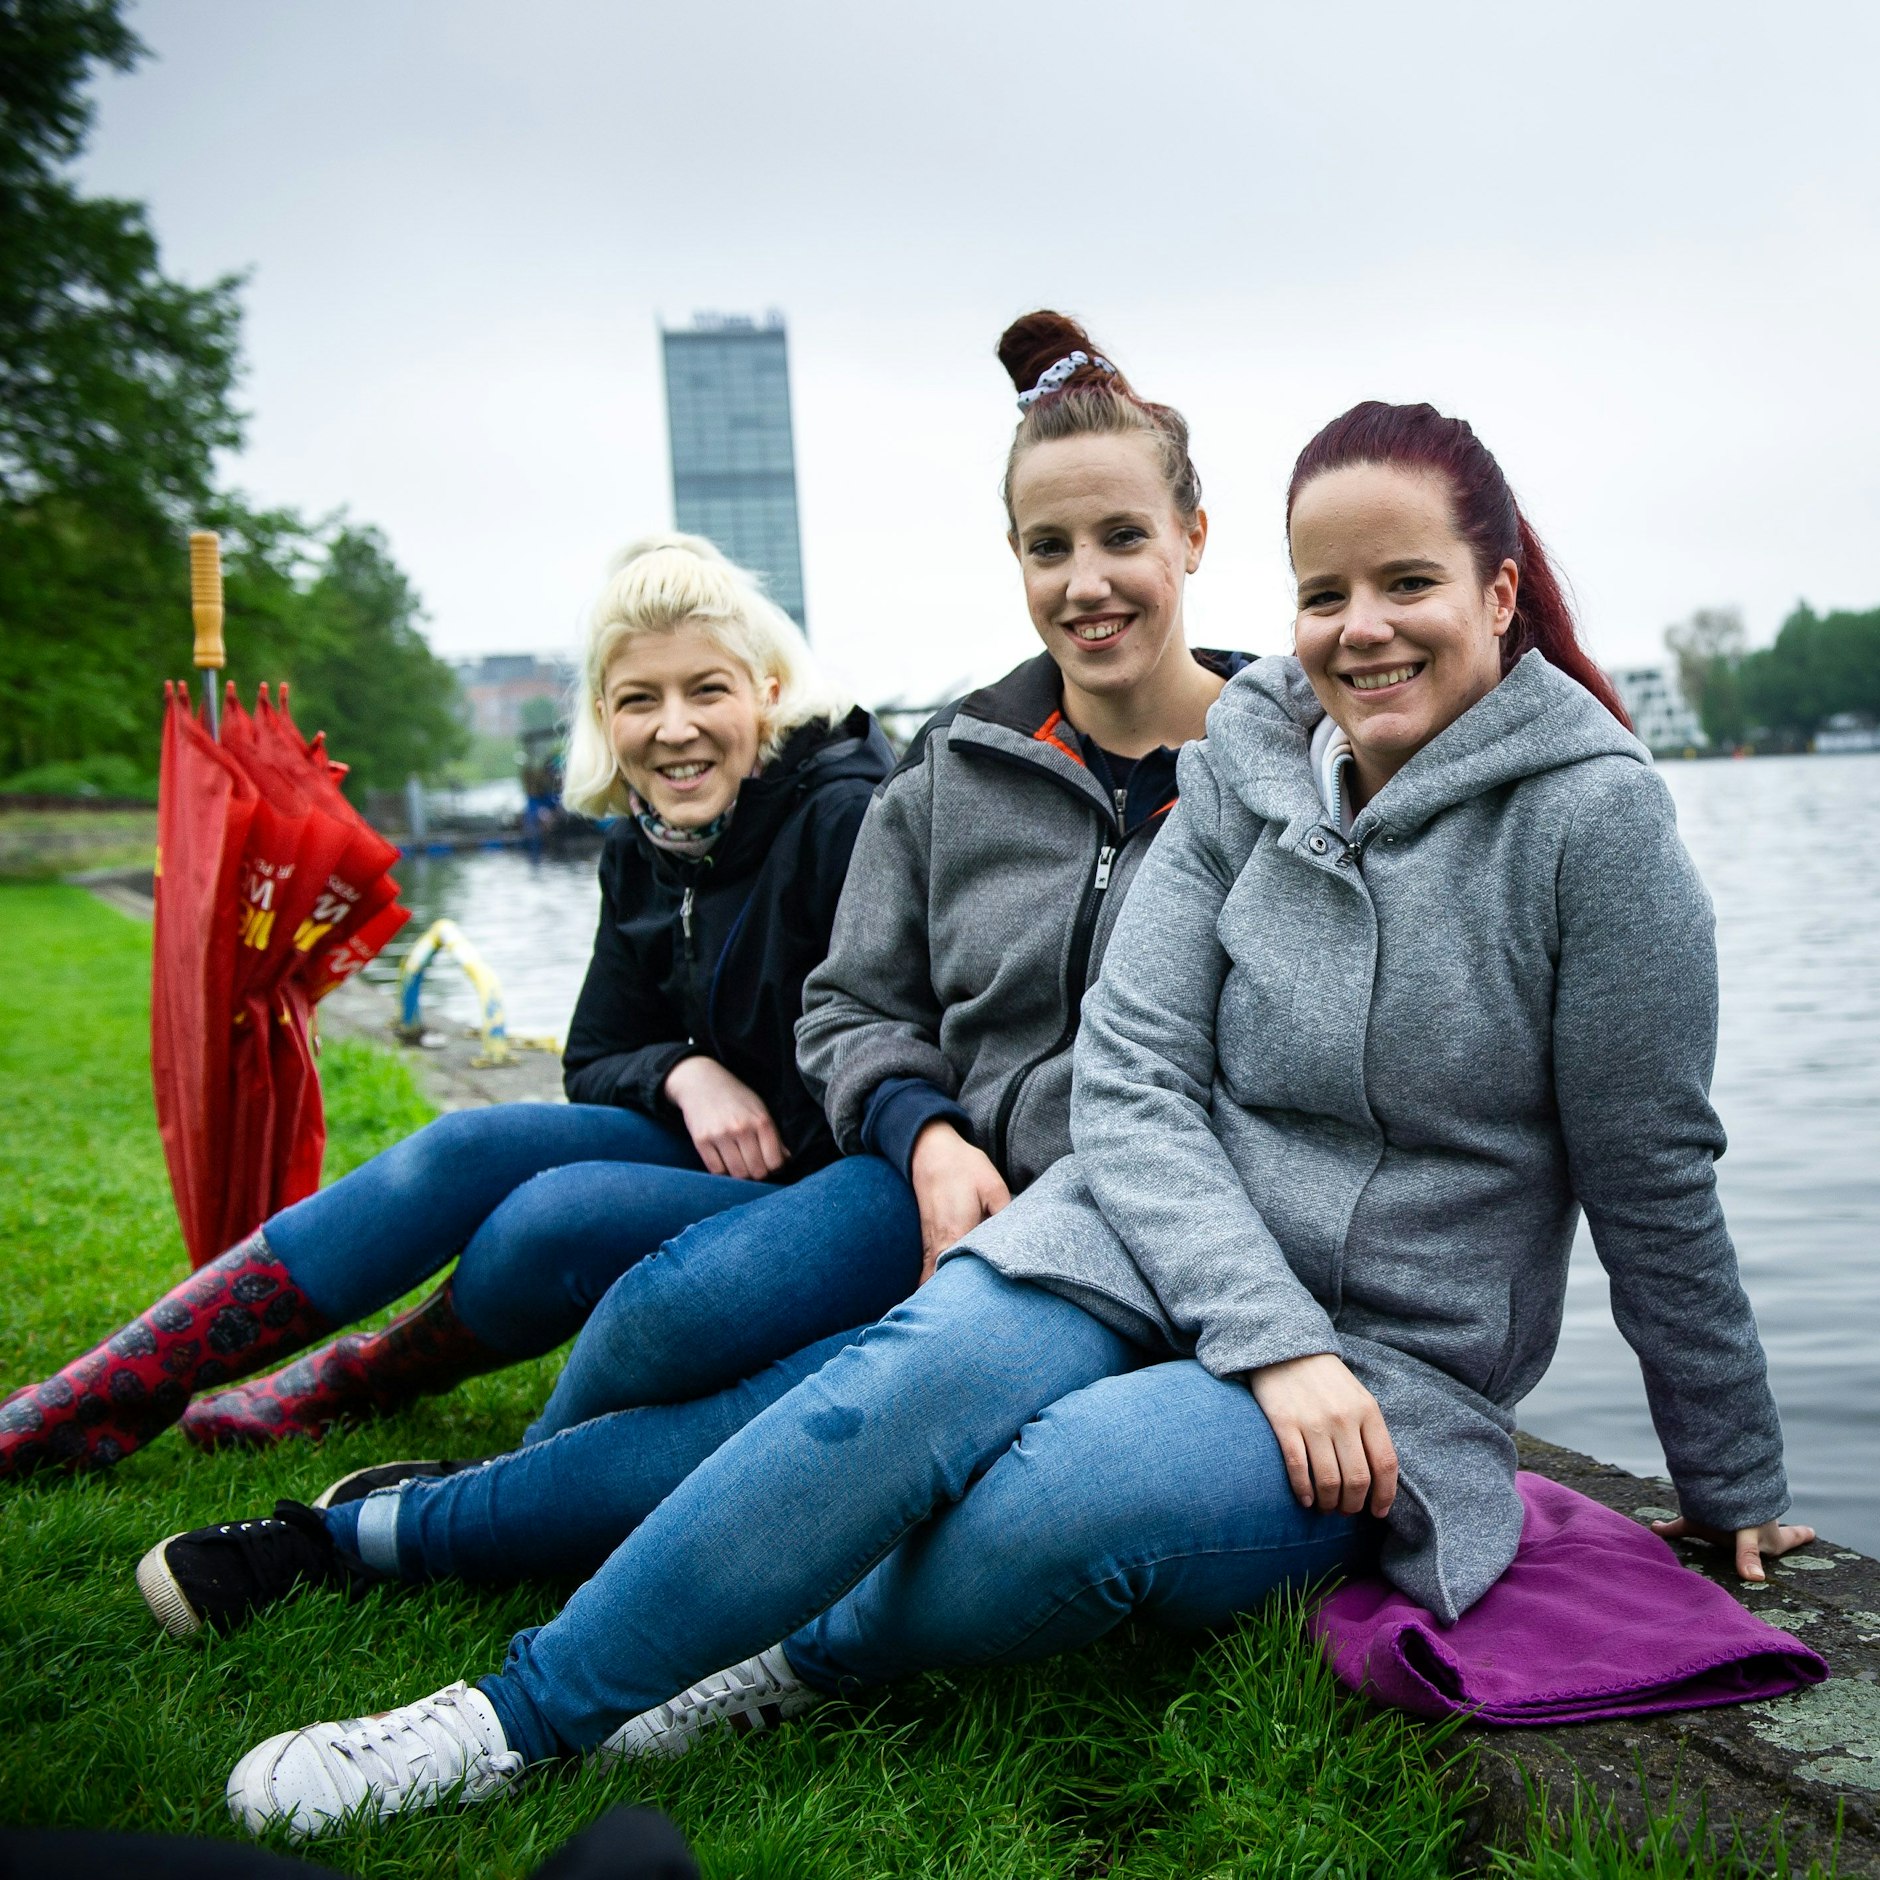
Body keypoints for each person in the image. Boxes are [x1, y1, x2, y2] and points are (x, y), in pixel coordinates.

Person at [196, 395, 1816, 1837]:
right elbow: (1134, 1076)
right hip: (1136, 1236)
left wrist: (1727, 1475)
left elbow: (1651, 1171)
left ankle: (780, 1656)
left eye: (1410, 586)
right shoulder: (1246, 773)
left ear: (1502, 593)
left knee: (1051, 1504)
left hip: (1384, 1351)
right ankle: (509, 1717)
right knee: (875, 1401)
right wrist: (1254, 1319)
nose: (1361, 628)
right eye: (1326, 591)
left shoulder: (1596, 831)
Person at [0, 534, 892, 1475]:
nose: (674, 727)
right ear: (603, 715)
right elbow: (594, 1053)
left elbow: (898, 1039)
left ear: (766, 691)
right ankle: (97, 1396)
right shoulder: (642, 845)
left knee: (555, 1217)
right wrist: (682, 1068)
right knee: (467, 1147)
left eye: (706, 690)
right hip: (729, 1147)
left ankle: (359, 1377)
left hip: (835, 1184)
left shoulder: (846, 820)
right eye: (640, 698)